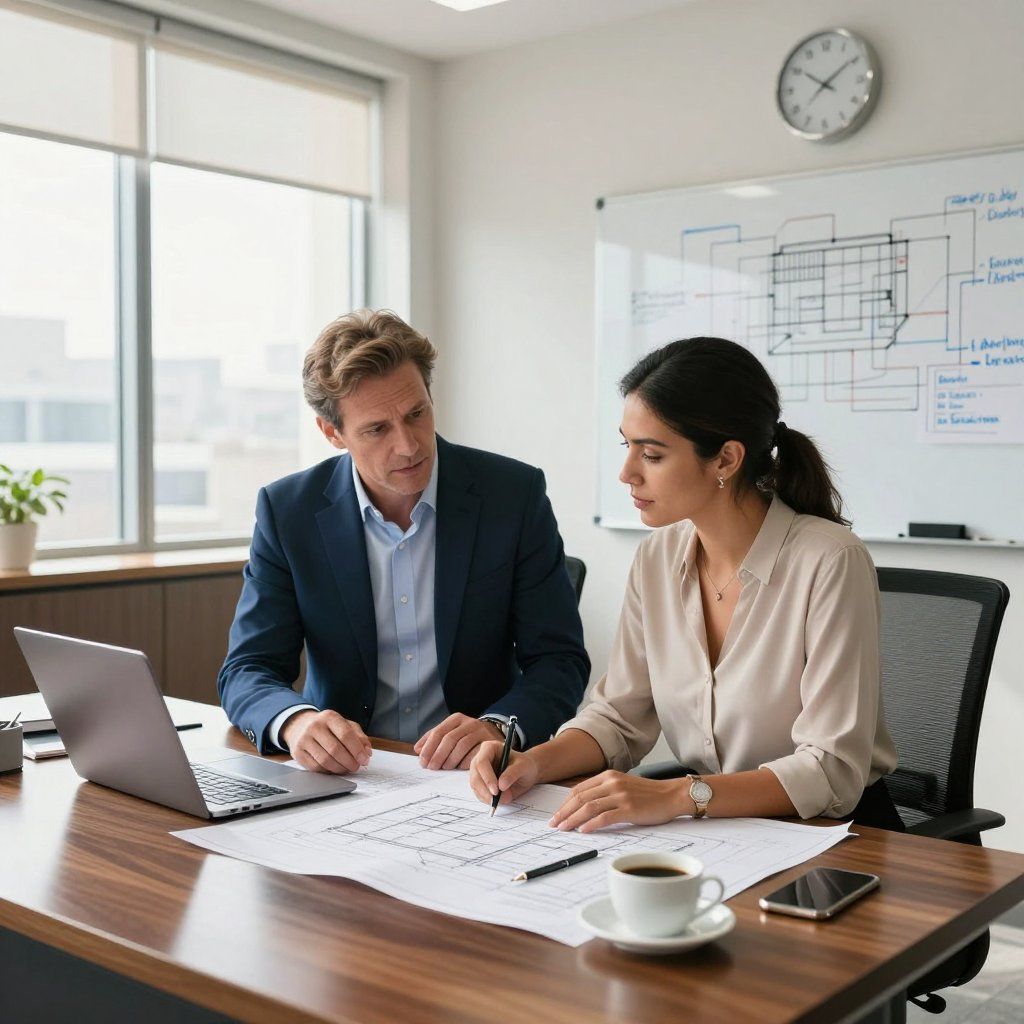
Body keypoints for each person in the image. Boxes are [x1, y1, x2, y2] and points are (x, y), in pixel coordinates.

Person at [469, 336, 901, 831]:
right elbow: (618, 719)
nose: (627, 473)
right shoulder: (656, 558)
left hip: (836, 834)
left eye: (651, 456)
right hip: (716, 829)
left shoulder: (829, 561)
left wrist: (678, 795)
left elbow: (831, 770)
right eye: (626, 446)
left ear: (725, 460)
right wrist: (534, 762)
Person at [218, 309, 589, 773]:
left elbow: (559, 661)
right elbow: (247, 668)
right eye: (377, 429)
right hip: (351, 776)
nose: (410, 445)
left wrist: (498, 727)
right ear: (332, 433)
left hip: (476, 776)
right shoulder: (288, 511)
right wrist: (295, 723)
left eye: (417, 414)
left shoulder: (512, 495)